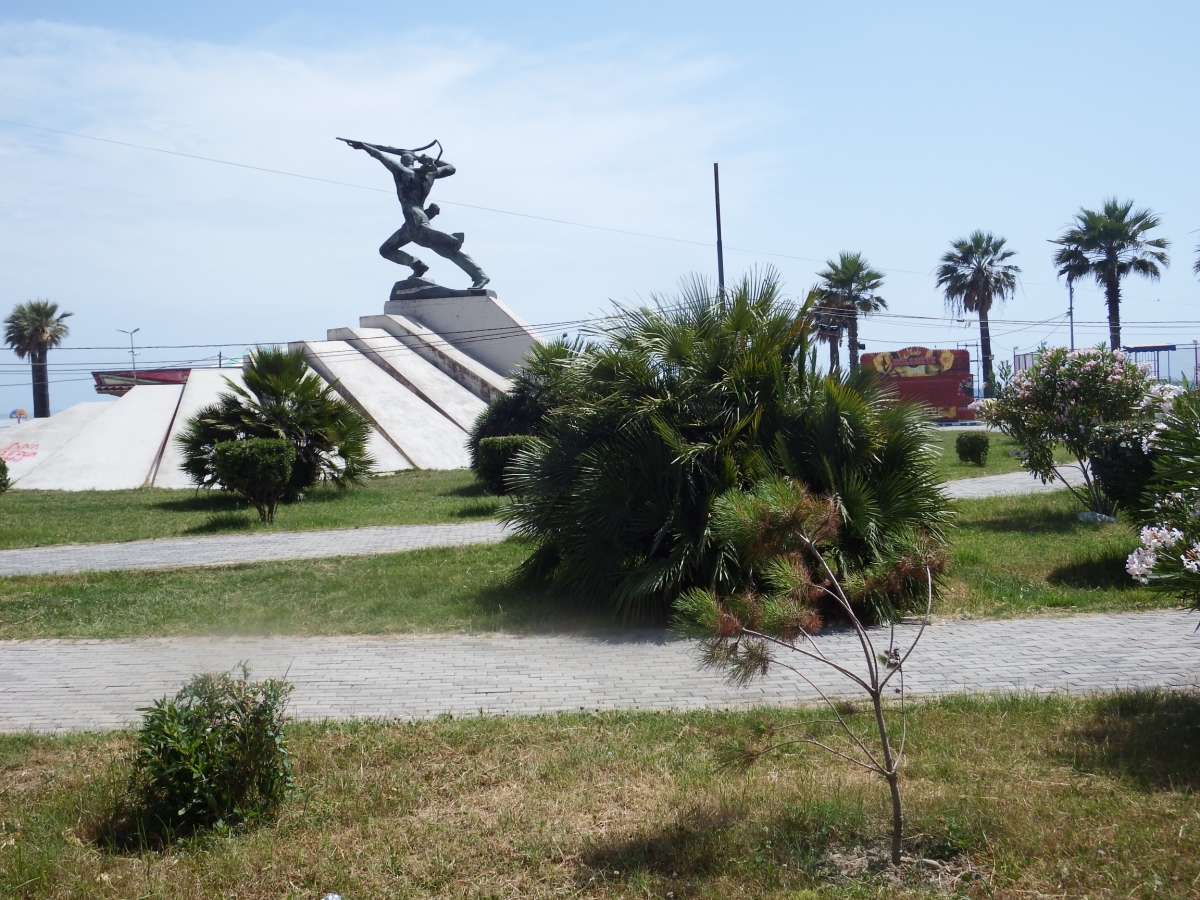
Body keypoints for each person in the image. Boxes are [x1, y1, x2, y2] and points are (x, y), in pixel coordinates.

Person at [345, 141, 490, 289]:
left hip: (415, 217)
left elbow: (381, 156)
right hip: (411, 222)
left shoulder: (403, 172)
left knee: (445, 248)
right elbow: (451, 168)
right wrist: (424, 159)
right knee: (386, 250)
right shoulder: (430, 175)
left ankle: (459, 249)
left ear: (403, 161)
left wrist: (364, 147)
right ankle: (417, 265)